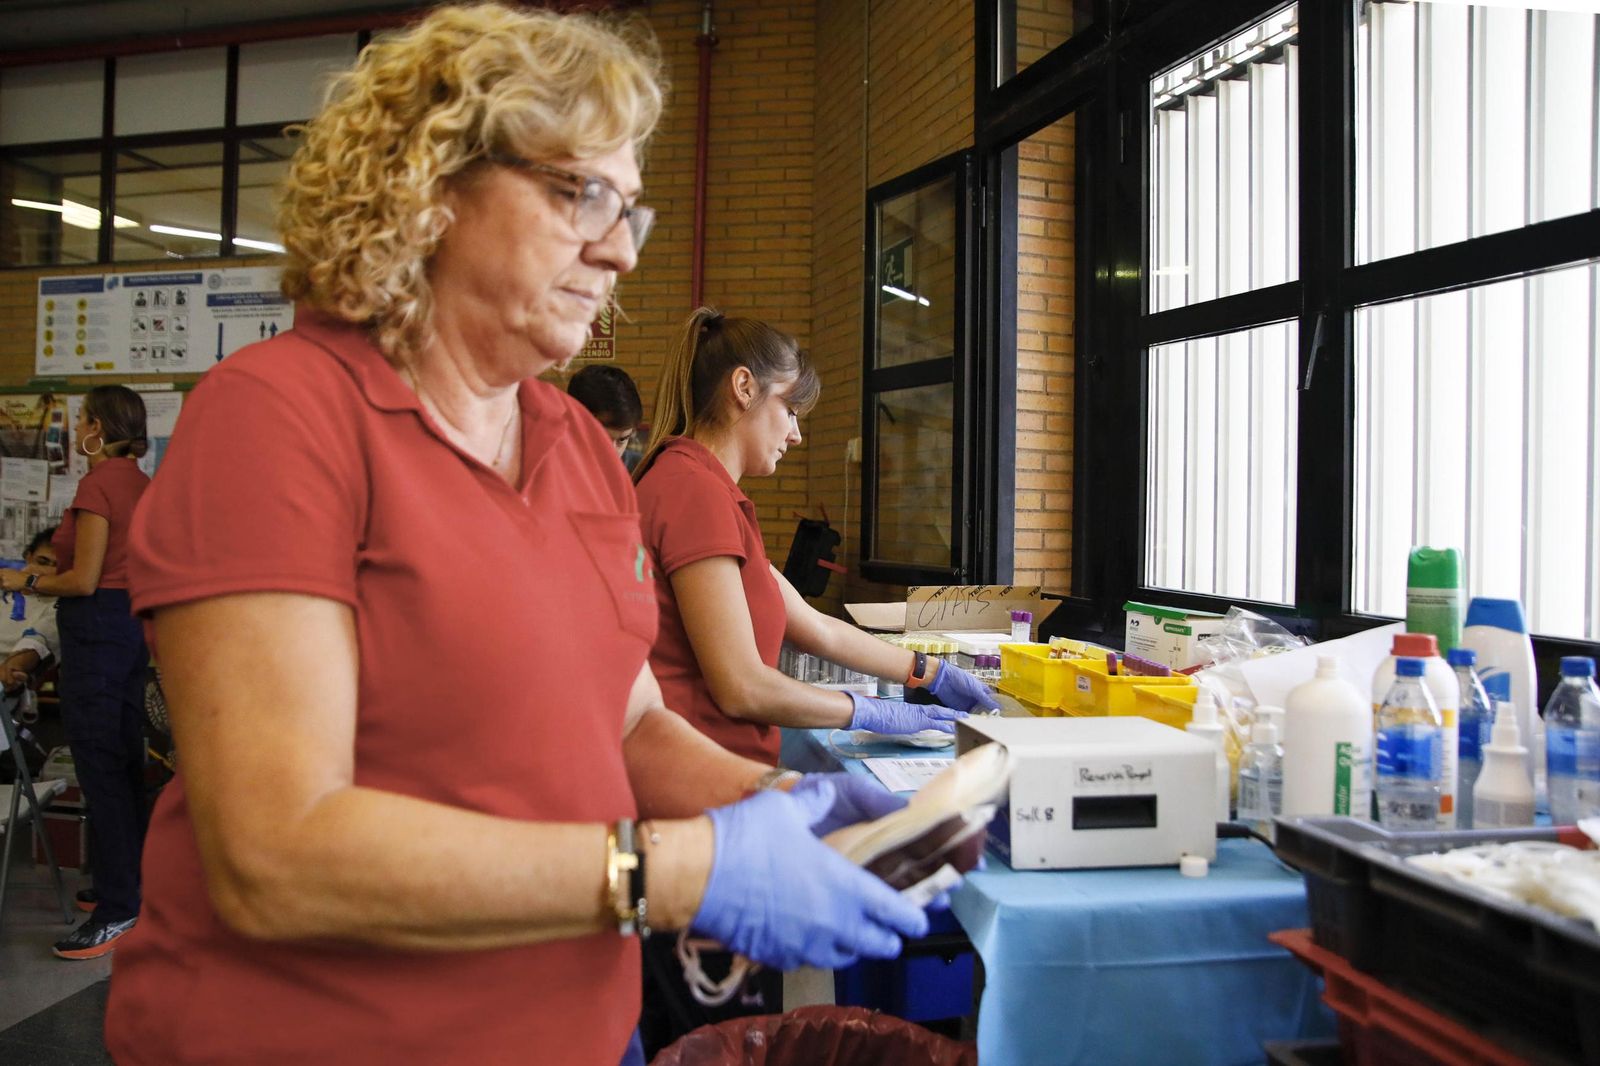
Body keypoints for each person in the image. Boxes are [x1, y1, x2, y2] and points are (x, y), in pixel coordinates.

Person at [101, 8, 928, 1065]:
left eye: (632, 211)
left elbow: (623, 722)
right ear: (428, 184)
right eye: (580, 193)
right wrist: (675, 873)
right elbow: (277, 851)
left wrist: (783, 804)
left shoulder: (576, 445)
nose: (620, 252)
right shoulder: (281, 416)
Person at [632, 308, 1001, 767]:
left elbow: (817, 629)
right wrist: (867, 711)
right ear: (744, 387)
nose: (796, 435)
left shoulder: (700, 487)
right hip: (700, 776)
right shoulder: (692, 491)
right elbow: (742, 688)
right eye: (790, 410)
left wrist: (929, 672)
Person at [0, 386, 151, 960]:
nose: (78, 425)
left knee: (102, 766)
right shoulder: (141, 482)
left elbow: (83, 579)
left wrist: (24, 581)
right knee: (123, 762)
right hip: (129, 631)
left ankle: (118, 909)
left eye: (83, 417)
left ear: (98, 425)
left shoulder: (98, 485)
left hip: (96, 630)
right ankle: (130, 886)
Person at [1, 527, 61, 692]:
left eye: (57, 566)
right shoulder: (5, 589)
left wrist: (12, 667)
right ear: (28, 557)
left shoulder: (60, 609)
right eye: (42, 562)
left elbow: (37, 644)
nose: (47, 571)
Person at [569, 363, 645, 465]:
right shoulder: (548, 467)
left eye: (622, 439)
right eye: (601, 439)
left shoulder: (641, 470)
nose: (612, 454)